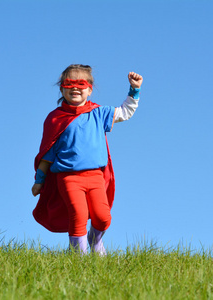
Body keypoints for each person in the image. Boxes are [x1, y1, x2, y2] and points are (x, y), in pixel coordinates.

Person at [31, 64, 143, 255]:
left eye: (81, 83)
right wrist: (39, 180)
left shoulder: (98, 113)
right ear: (62, 89)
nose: (75, 87)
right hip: (68, 177)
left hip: (95, 176)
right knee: (78, 215)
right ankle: (78, 258)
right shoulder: (55, 119)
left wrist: (134, 89)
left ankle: (95, 241)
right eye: (69, 83)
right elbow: (47, 154)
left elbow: (125, 113)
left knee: (103, 217)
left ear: (90, 90)